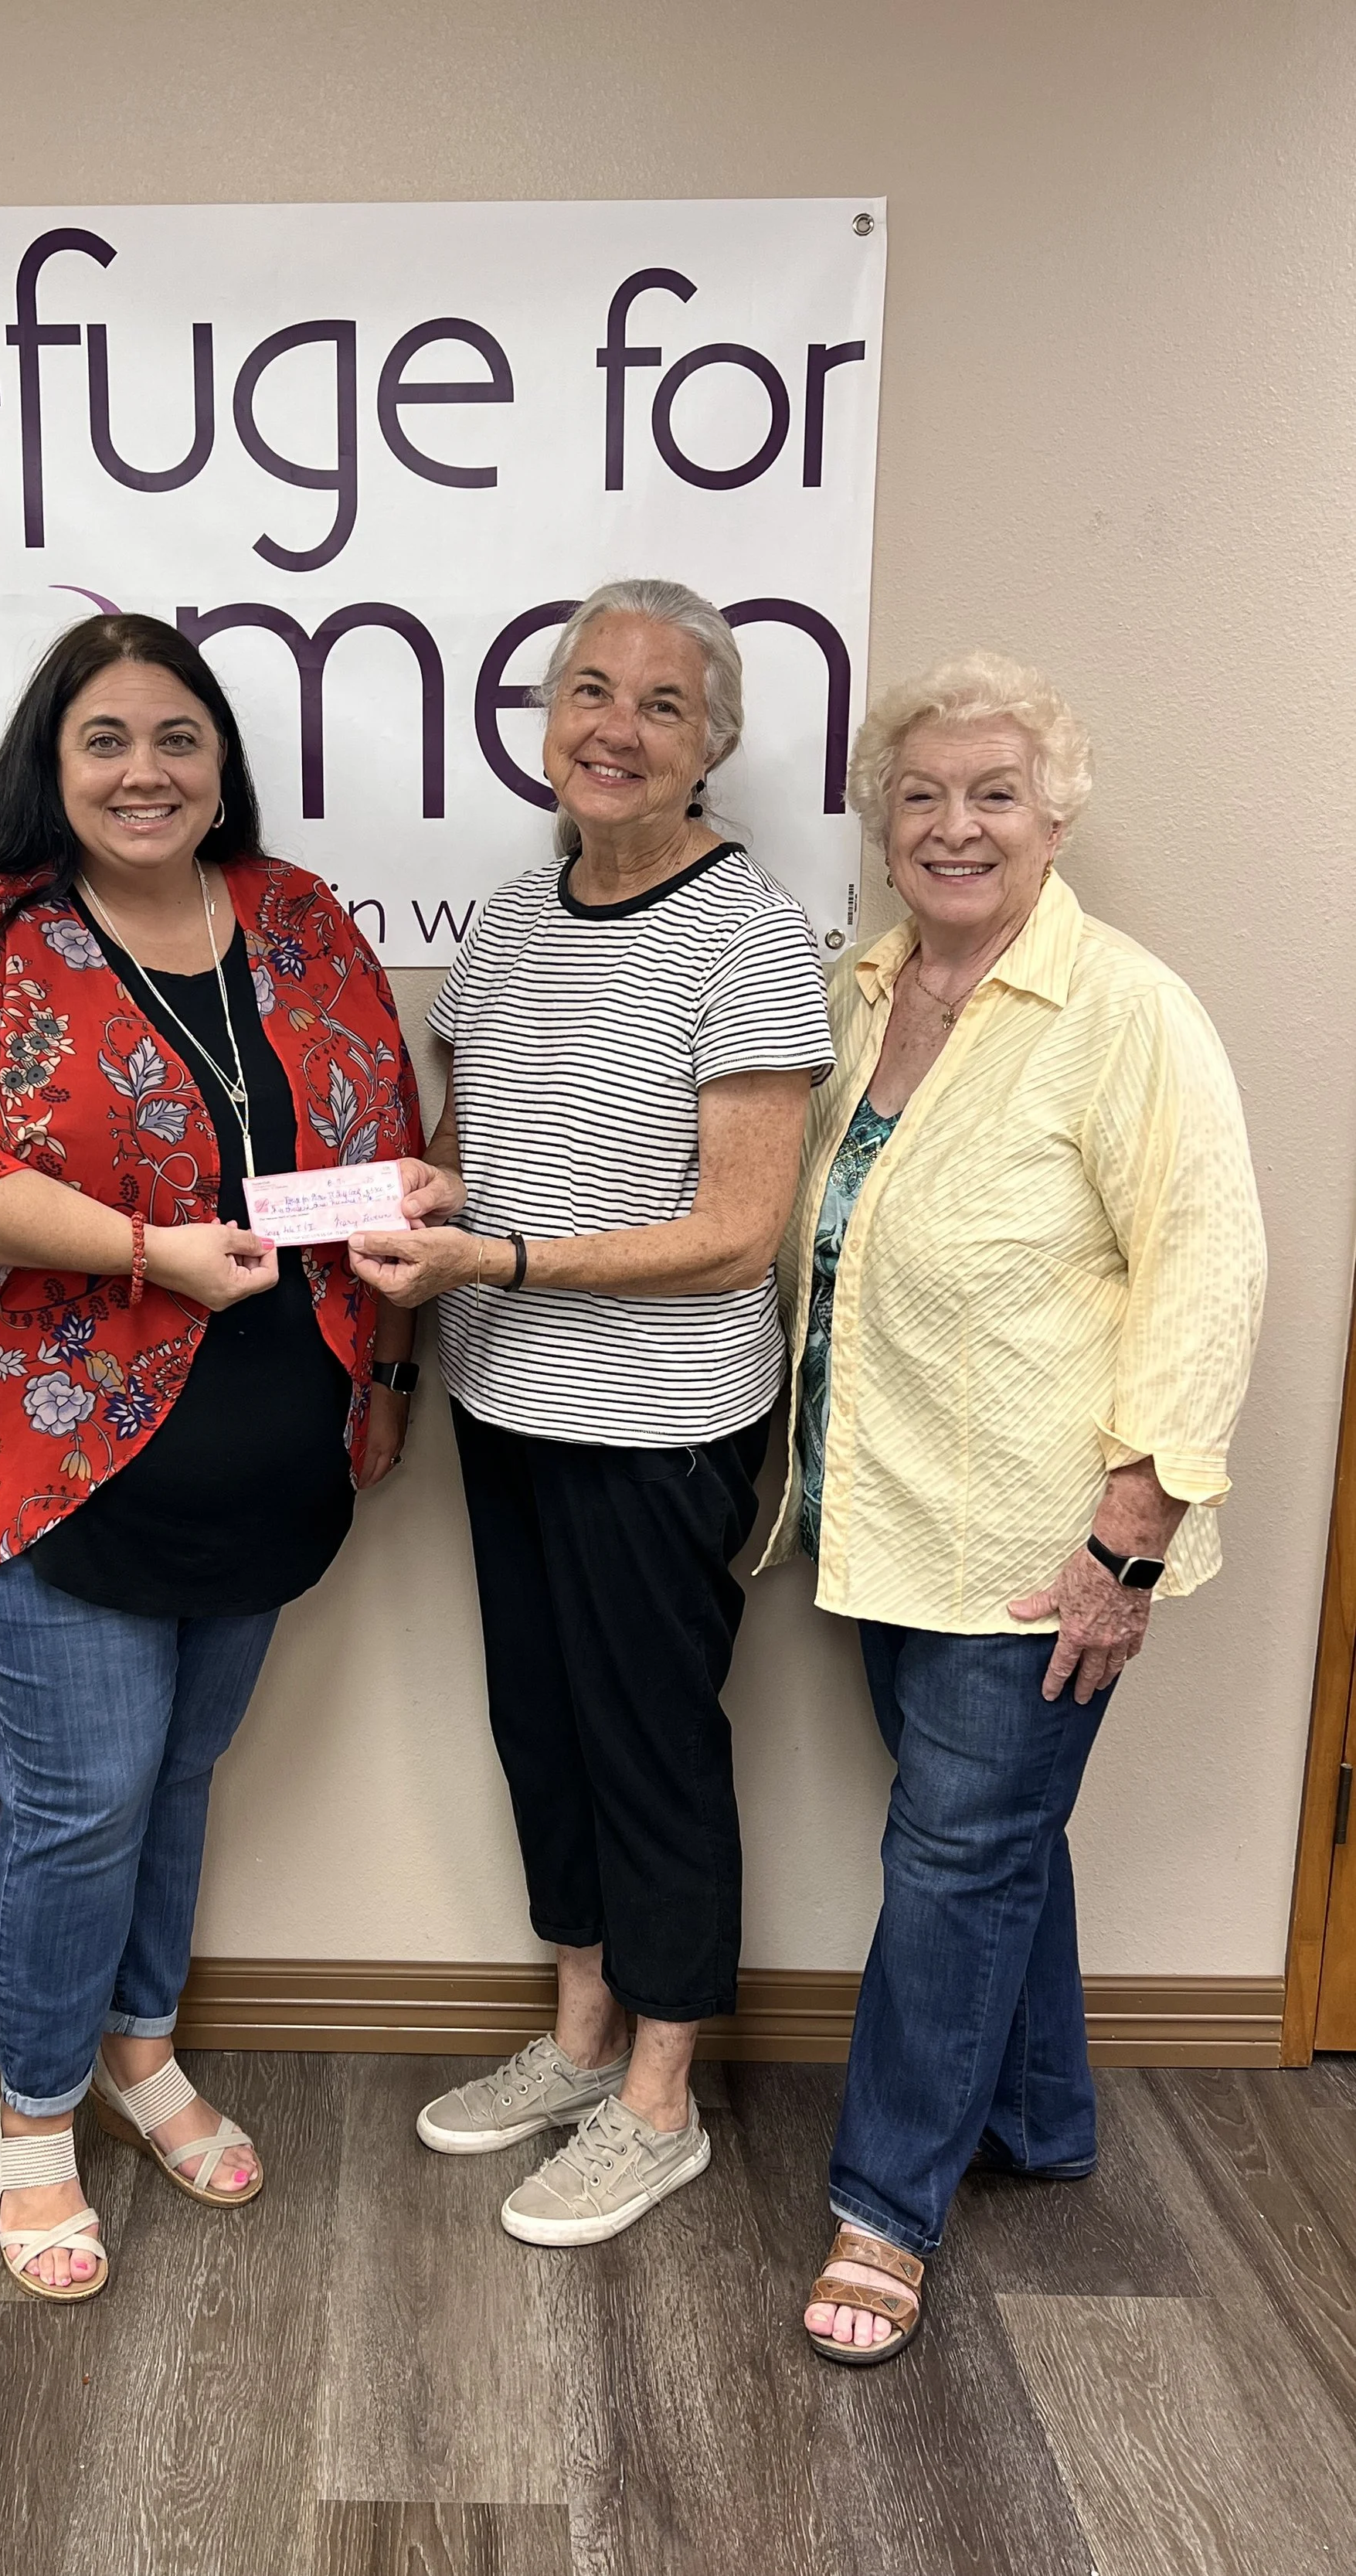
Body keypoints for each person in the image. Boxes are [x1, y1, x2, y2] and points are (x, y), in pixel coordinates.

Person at [0, 611, 420, 2302]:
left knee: (173, 1781)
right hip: (38, 1461)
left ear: (220, 754)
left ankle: (139, 2049)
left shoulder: (300, 918)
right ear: (53, 759)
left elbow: (367, 1137)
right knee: (77, 1807)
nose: (144, 770)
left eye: (176, 736)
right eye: (105, 739)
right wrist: (140, 1250)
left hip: (266, 1448)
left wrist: (406, 1206)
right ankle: (33, 2116)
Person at [756, 652, 1265, 2364]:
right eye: (918, 794)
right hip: (873, 1509)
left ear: (1053, 819)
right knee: (979, 1836)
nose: (951, 825)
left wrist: (1130, 1534)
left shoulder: (1123, 1010)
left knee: (953, 1858)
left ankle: (882, 2212)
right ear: (878, 821)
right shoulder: (859, 986)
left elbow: (1206, 1271)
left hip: (1035, 1540)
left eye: (990, 795)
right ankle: (1037, 2117)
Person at [348, 577, 834, 2246]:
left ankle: (658, 2095)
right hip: (508, 1396)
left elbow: (735, 1233)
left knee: (651, 1757)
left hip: (659, 1425)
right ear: (543, 717)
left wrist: (496, 1247)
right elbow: (478, 1154)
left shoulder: (749, 934)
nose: (613, 729)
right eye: (586, 691)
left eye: (659, 706)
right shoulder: (504, 921)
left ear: (711, 748)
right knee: (538, 1735)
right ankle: (575, 2038)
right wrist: (436, 1195)